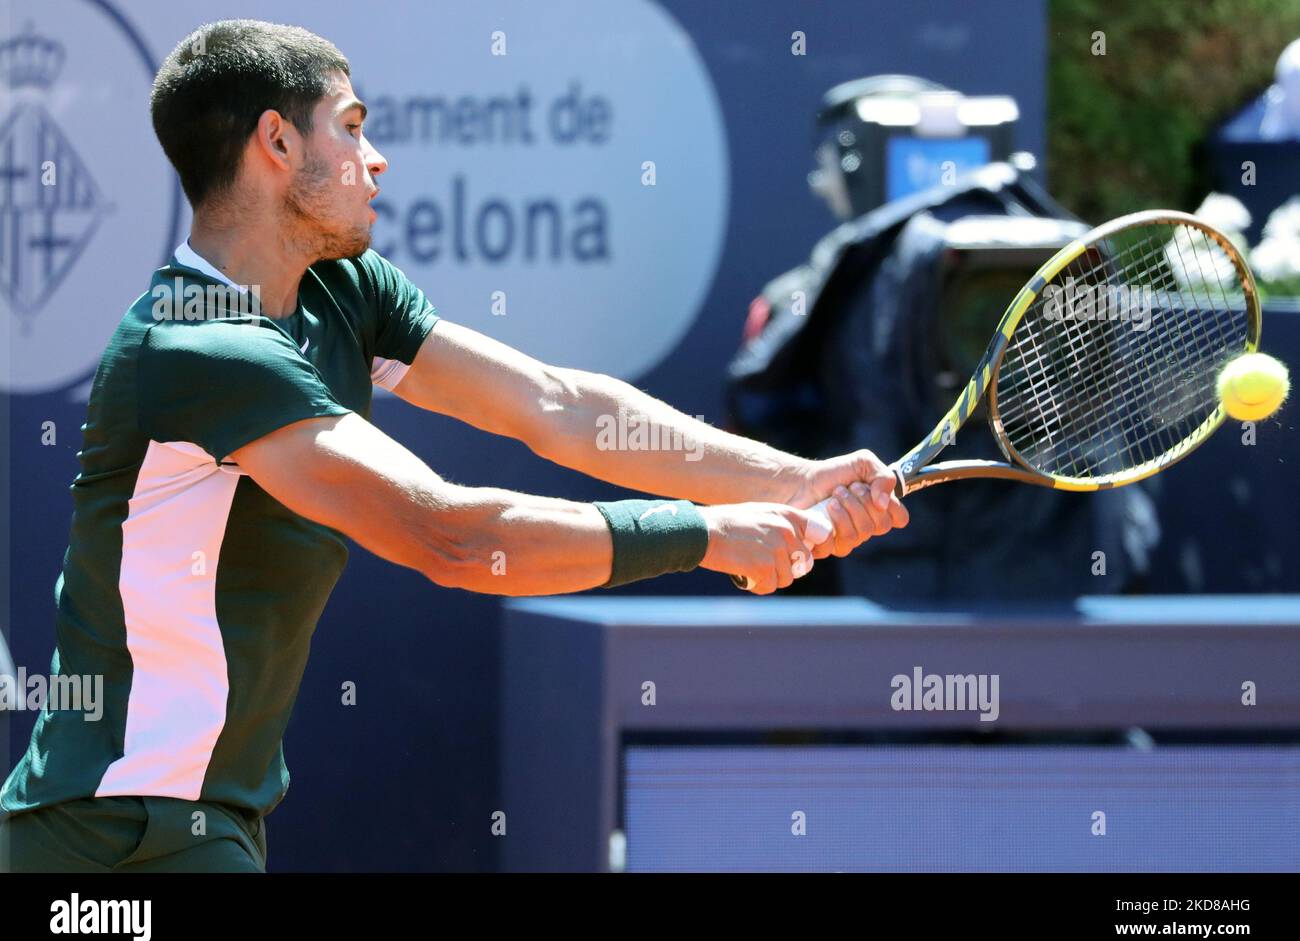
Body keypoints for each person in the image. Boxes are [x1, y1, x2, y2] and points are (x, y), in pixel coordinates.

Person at [0, 20, 906, 872]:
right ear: (276, 144)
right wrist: (707, 535)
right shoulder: (197, 345)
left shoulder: (343, 290)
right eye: (351, 128)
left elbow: (556, 404)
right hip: (111, 834)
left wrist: (796, 478)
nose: (376, 157)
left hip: (204, 821)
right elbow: (455, 536)